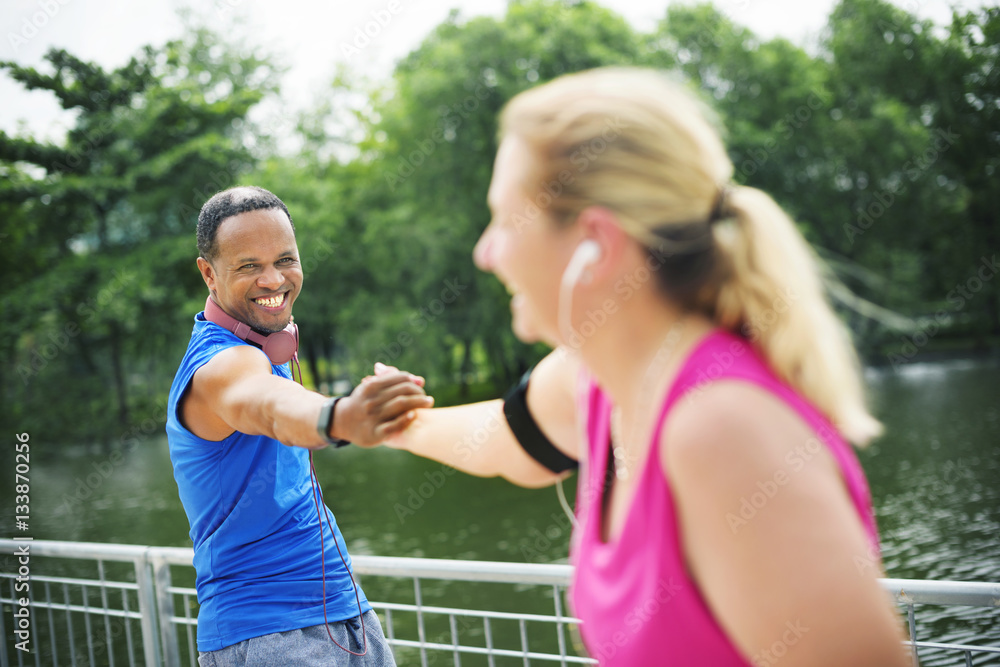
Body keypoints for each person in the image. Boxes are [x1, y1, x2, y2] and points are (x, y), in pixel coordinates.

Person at [379, 68, 909, 666]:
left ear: (596, 245)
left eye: (504, 219)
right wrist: (386, 423)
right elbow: (504, 439)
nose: (485, 252)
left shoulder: (723, 429)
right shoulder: (599, 384)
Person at [165, 186, 433, 666]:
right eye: (249, 265)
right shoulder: (221, 366)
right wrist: (343, 416)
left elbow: (283, 402)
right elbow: (266, 405)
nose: (273, 280)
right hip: (268, 635)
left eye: (284, 259)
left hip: (346, 612)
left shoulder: (266, 348)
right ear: (208, 273)